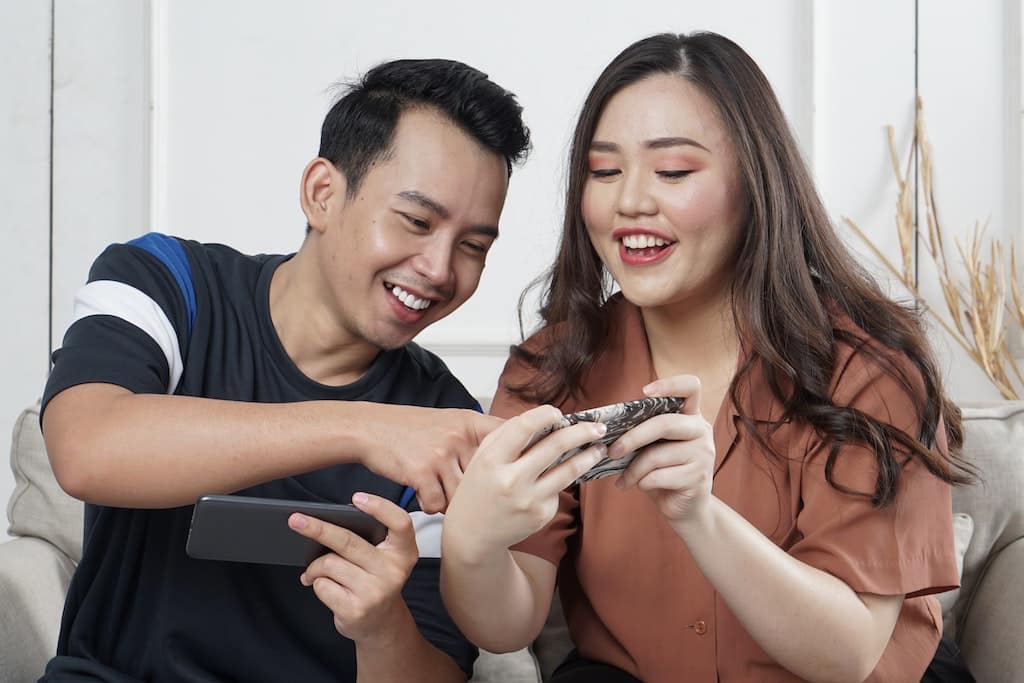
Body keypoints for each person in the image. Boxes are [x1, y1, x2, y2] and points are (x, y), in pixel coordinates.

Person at [441, 32, 972, 682]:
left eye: (673, 172)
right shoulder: (554, 365)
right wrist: (471, 544)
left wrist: (699, 514)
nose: (629, 201)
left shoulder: (871, 371)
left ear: (755, 183)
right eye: (603, 171)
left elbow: (849, 654)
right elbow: (508, 620)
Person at [39, 58, 530, 681]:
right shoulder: (167, 283)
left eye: (473, 247)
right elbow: (86, 449)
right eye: (416, 221)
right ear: (323, 194)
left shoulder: (442, 424)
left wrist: (381, 630)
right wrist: (363, 428)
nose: (439, 268)